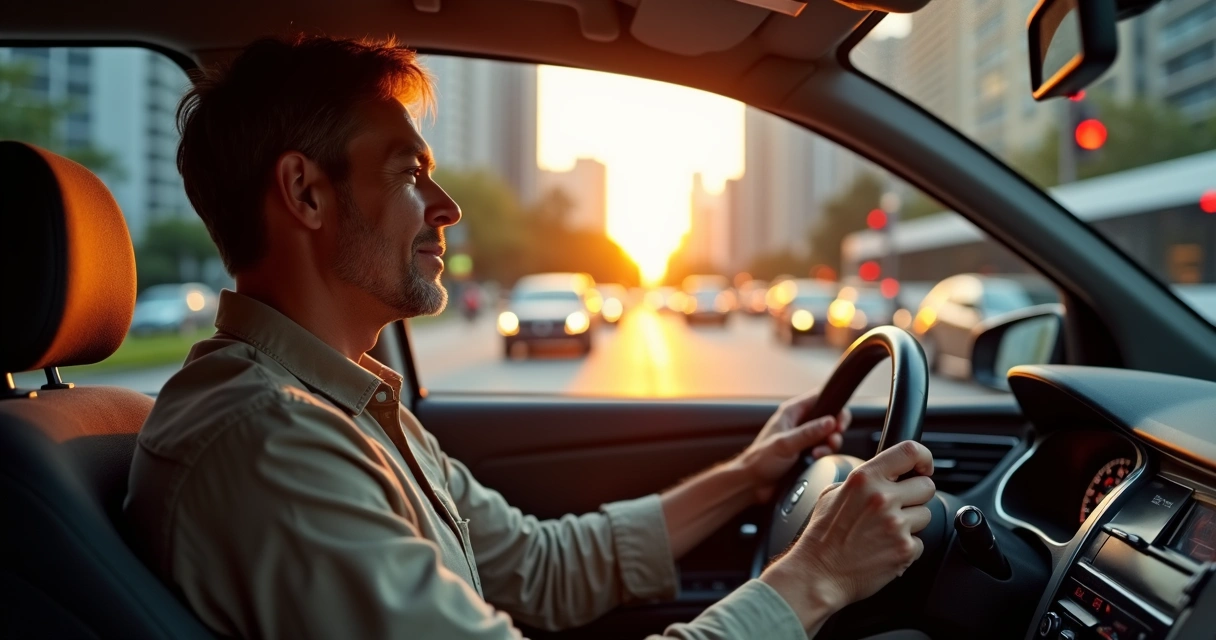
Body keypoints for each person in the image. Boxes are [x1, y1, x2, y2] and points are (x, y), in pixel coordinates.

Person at [124, 35, 936, 640]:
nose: (448, 208)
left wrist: (747, 477)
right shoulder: (270, 445)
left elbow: (543, 566)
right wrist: (817, 577)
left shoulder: (342, 403)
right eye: (410, 174)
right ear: (305, 192)